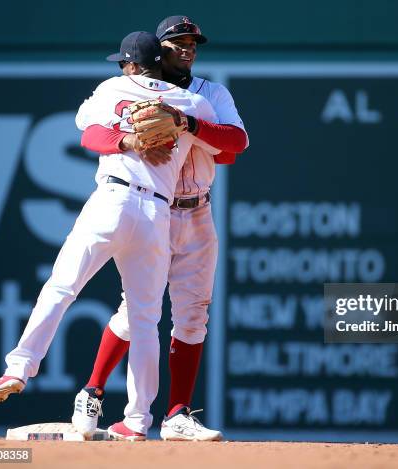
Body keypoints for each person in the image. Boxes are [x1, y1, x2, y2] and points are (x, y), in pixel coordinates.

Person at [0, 31, 219, 440]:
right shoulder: (191, 102)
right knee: (147, 320)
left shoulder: (113, 87)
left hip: (112, 198)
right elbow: (235, 143)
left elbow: (89, 134)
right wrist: (183, 125)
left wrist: (124, 140)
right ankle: (138, 421)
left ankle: (18, 368)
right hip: (157, 213)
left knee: (61, 287)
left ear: (130, 65)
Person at [71, 16, 248, 441]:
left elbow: (235, 145)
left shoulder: (210, 94)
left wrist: (187, 124)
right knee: (136, 313)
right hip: (154, 211)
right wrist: (131, 139)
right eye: (177, 42)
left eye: (193, 42)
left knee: (193, 316)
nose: (187, 48)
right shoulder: (129, 92)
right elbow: (90, 131)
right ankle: (92, 391)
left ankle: (177, 414)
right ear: (157, 49)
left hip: (198, 212)